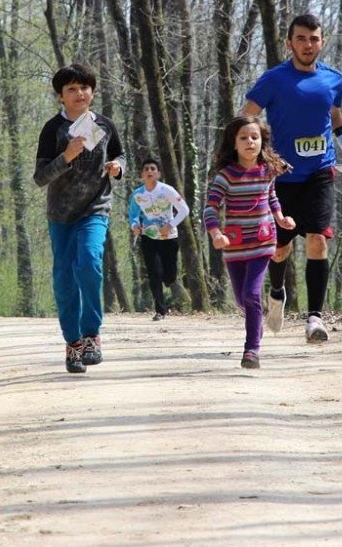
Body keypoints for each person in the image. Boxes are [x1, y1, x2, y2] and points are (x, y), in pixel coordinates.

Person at [241, 13, 342, 343]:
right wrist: (260, 153)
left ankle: (315, 318)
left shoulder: (333, 79)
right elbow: (246, 117)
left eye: (314, 39)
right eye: (301, 39)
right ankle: (277, 293)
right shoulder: (274, 79)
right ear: (289, 43)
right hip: (282, 177)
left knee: (317, 239)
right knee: (280, 251)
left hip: (320, 172)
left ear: (322, 42)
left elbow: (336, 120)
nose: (308, 45)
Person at [34, 63, 126, 373]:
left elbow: (120, 154)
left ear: (92, 91)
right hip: (61, 214)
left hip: (95, 208)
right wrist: (66, 158)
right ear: (60, 96)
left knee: (89, 262)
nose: (79, 93)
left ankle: (92, 336)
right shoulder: (53, 129)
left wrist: (117, 167)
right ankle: (72, 342)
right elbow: (40, 177)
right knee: (64, 278)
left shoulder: (104, 125)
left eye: (84, 88)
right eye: (71, 89)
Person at [203, 116, 295, 369]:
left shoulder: (267, 170)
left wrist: (280, 217)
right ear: (234, 143)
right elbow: (210, 208)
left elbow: (271, 197)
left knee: (251, 293)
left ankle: (251, 349)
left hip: (263, 241)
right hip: (234, 245)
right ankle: (256, 322)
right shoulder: (226, 176)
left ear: (262, 141)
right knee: (242, 300)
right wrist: (216, 234)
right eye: (243, 138)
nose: (249, 142)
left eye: (254, 137)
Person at [128, 158, 190, 321]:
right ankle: (160, 310)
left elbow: (184, 210)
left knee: (169, 276)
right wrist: (135, 226)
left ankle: (168, 278)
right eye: (146, 169)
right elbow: (133, 215)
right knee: (154, 273)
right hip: (149, 237)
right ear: (142, 174)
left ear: (158, 173)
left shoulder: (167, 190)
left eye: (153, 169)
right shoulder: (137, 195)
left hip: (169, 237)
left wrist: (171, 225)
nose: (149, 171)